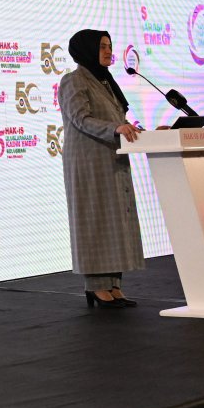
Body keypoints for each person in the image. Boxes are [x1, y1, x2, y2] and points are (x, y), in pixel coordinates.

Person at [59, 29, 144, 309]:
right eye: (102, 47)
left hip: (112, 157)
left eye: (109, 46)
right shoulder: (73, 81)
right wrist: (115, 128)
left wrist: (134, 129)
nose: (108, 51)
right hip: (89, 162)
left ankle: (113, 284)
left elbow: (116, 118)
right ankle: (96, 286)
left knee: (115, 221)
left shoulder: (106, 81)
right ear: (86, 50)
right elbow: (80, 118)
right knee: (95, 220)